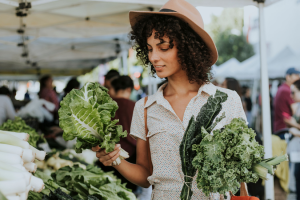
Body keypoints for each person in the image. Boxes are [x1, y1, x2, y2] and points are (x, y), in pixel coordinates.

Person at [92, 0, 246, 199]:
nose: (153, 57)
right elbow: (145, 174)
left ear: (189, 47)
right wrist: (116, 160)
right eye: (149, 48)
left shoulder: (228, 100)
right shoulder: (146, 108)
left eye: (163, 47)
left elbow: (242, 169)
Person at [96, 75, 137, 192]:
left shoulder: (105, 107)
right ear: (129, 89)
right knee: (127, 192)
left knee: (109, 191)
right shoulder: (135, 106)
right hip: (131, 159)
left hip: (107, 156)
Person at [274, 67, 300, 132]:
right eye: (296, 75)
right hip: (285, 129)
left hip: (281, 127)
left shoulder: (282, 88)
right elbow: (295, 111)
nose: (298, 77)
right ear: (288, 77)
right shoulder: (287, 90)